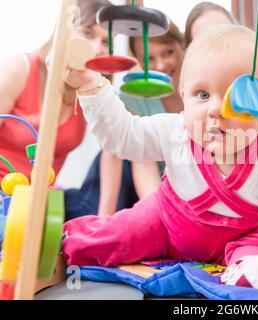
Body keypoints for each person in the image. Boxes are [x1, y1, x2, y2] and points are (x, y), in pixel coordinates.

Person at [63, 24, 258, 299]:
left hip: (242, 239)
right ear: (184, 100)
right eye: (202, 95)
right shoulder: (174, 132)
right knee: (118, 234)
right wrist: (91, 86)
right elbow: (123, 137)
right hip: (167, 223)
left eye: (234, 97)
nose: (215, 109)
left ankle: (245, 273)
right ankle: (66, 243)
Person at [64, 21, 185, 219]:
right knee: (84, 212)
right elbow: (132, 155)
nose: (161, 65)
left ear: (183, 46)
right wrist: (106, 217)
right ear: (138, 60)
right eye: (148, 58)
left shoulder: (202, 95)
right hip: (125, 171)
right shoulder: (133, 99)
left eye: (168, 52)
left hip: (155, 185)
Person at [0, 0, 111, 180]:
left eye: (106, 41)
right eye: (88, 33)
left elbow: (121, 139)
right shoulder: (20, 68)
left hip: (41, 198)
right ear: (64, 31)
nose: (97, 49)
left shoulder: (90, 86)